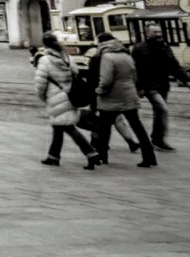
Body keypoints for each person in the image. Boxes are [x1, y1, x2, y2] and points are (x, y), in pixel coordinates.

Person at [90, 34, 157, 167]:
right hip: (129, 95)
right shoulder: (126, 55)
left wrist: (100, 91)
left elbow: (106, 80)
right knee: (138, 127)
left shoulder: (105, 57)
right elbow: (135, 76)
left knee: (104, 128)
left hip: (111, 97)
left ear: (101, 43)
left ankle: (102, 156)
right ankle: (149, 157)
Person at [32, 33, 95, 168]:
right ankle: (53, 156)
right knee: (58, 127)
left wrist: (42, 96)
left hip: (55, 96)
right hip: (70, 95)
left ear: (44, 44)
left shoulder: (45, 60)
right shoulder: (67, 57)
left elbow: (40, 83)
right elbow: (76, 73)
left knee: (68, 127)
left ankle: (91, 153)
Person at [132, 26, 190, 151]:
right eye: (155, 32)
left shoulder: (165, 46)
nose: (158, 34)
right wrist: (139, 87)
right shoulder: (139, 48)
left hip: (163, 84)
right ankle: (158, 140)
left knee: (159, 111)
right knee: (162, 109)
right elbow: (135, 69)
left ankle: (157, 139)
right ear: (147, 33)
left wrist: (186, 80)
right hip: (149, 85)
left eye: (159, 31)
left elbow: (173, 65)